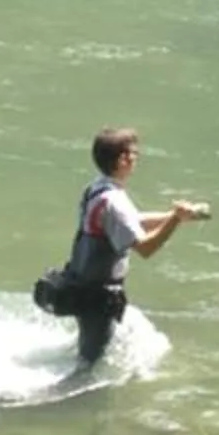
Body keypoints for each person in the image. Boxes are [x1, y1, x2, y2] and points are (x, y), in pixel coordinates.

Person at [61, 126, 209, 363]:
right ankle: (69, 394)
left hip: (81, 283)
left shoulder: (97, 188)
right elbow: (145, 248)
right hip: (98, 295)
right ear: (122, 160)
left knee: (91, 345)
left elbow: (131, 222)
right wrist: (174, 220)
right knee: (91, 362)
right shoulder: (115, 202)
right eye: (134, 154)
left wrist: (176, 217)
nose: (136, 159)